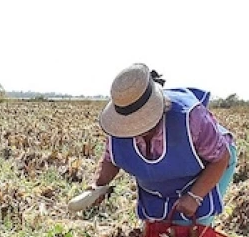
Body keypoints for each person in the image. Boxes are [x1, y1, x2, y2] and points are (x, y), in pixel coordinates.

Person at [91, 63, 236, 226]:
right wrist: (98, 187)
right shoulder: (118, 128)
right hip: (160, 181)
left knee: (192, 229)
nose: (136, 130)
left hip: (210, 164)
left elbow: (220, 158)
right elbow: (112, 159)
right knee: (156, 227)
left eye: (142, 123)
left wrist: (195, 196)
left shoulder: (189, 117)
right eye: (130, 126)